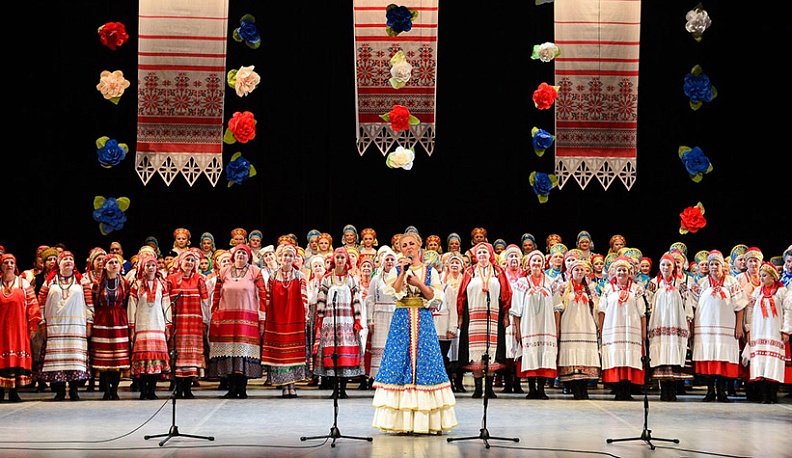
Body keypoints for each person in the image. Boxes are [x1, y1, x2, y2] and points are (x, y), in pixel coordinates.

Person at [371, 230, 457, 435]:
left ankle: (428, 421)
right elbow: (395, 292)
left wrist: (418, 283)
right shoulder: (396, 270)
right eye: (404, 245)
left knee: (426, 363)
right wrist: (402, 272)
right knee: (399, 363)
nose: (408, 248)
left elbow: (434, 297)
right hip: (401, 320)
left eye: (411, 244)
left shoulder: (430, 272)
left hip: (423, 320)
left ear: (419, 246)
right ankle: (401, 423)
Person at [208, 243, 267, 399]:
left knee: (244, 353)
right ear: (233, 256)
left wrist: (262, 319)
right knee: (230, 353)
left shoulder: (256, 272)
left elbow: (263, 296)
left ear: (249, 256)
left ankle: (242, 388)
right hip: (226, 319)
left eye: (244, 253)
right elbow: (216, 296)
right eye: (238, 253)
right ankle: (231, 387)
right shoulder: (223, 271)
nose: (241, 256)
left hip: (247, 319)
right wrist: (214, 314)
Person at [456, 241, 512, 399]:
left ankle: (489, 388)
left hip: (494, 316)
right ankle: (477, 387)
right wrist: (460, 316)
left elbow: (507, 294)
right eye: (479, 253)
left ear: (490, 255)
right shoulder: (470, 271)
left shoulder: (498, 271)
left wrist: (506, 314)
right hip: (473, 316)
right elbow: (461, 295)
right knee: (476, 350)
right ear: (476, 256)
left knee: (491, 350)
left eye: (485, 252)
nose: (482, 255)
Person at [691, 250, 747, 402]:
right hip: (705, 327)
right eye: (711, 264)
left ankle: (722, 392)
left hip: (726, 327)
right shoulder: (701, 283)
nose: (714, 267)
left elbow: (740, 306)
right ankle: (710, 391)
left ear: (722, 266)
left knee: (722, 358)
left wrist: (739, 326)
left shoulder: (731, 282)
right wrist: (692, 328)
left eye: (717, 264)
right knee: (709, 356)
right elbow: (693, 306)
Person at [38, 251, 93, 401]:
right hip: (55, 327)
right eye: (65, 259)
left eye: (71, 259)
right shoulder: (50, 281)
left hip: (76, 327)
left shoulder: (82, 281)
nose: (68, 261)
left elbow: (89, 304)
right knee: (57, 358)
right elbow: (40, 303)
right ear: (59, 263)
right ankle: (59, 391)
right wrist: (42, 324)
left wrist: (89, 323)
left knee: (74, 357)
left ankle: (74, 390)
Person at [313, 247, 364, 399]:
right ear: (334, 260)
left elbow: (357, 300)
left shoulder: (352, 279)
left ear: (346, 260)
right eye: (338, 257)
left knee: (345, 355)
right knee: (333, 354)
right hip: (331, 322)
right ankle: (335, 389)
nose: (340, 260)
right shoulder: (327, 278)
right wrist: (320, 320)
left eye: (342, 257)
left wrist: (358, 320)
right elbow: (321, 300)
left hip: (347, 321)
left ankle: (344, 388)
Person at [261, 244, 310, 398]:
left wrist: (305, 316)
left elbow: (304, 298)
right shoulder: (273, 277)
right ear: (279, 258)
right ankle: (284, 386)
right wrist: (266, 317)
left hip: (294, 317)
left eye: (290, 256)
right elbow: (267, 299)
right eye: (284, 256)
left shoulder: (300, 276)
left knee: (293, 352)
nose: (287, 258)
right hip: (277, 318)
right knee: (280, 352)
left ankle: (292, 385)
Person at [645, 253, 694, 401]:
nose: (666, 267)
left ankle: (672, 391)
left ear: (674, 267)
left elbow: (687, 305)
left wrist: (688, 324)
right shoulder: (654, 283)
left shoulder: (680, 284)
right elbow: (647, 303)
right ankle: (663, 390)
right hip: (659, 325)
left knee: (674, 353)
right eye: (663, 265)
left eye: (669, 265)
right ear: (660, 267)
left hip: (676, 325)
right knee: (660, 354)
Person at [511, 250, 558, 400]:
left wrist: (557, 328)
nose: (536, 264)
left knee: (544, 353)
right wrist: (518, 330)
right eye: (534, 261)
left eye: (539, 261)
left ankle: (541, 389)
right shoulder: (522, 283)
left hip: (546, 326)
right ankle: (531, 389)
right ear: (528, 264)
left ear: (543, 264)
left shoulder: (551, 282)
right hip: (528, 325)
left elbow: (557, 307)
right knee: (530, 354)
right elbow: (516, 309)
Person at [598, 256, 647, 401]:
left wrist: (643, 331)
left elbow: (642, 312)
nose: (621, 273)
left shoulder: (636, 289)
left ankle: (627, 390)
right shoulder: (608, 289)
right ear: (614, 272)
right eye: (619, 270)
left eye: (624, 270)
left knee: (629, 358)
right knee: (616, 357)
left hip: (632, 330)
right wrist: (601, 330)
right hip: (613, 329)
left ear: (629, 272)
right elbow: (602, 311)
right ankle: (618, 389)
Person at [165, 248, 211, 399]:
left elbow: (205, 302)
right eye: (187, 260)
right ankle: (178, 388)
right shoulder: (171, 279)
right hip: (178, 323)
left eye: (192, 260)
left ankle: (188, 388)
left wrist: (205, 321)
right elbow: (165, 303)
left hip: (193, 324)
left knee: (191, 356)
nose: (190, 263)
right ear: (180, 262)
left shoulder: (199, 279)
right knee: (177, 355)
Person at [744, 262, 791, 403]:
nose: (761, 278)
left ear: (773, 277)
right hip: (759, 332)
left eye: (764, 275)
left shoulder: (782, 292)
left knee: (774, 363)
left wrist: (786, 330)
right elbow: (750, 311)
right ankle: (764, 395)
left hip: (774, 332)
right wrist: (749, 329)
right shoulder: (757, 291)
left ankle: (773, 394)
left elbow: (788, 312)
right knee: (760, 362)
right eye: (760, 275)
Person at [127, 252, 172, 400]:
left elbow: (166, 306)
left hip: (157, 326)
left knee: (155, 360)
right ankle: (143, 391)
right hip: (142, 326)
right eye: (148, 265)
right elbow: (132, 307)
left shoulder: (162, 285)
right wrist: (132, 328)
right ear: (143, 267)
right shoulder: (136, 285)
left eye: (153, 265)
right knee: (143, 361)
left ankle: (152, 390)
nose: (151, 268)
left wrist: (167, 326)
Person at [556, 258, 601, 400]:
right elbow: (557, 307)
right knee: (572, 357)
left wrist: (597, 325)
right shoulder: (564, 287)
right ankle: (575, 389)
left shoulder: (591, 288)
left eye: (582, 269)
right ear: (570, 272)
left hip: (586, 327)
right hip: (569, 326)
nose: (579, 272)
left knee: (584, 356)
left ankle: (584, 389)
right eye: (576, 269)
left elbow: (597, 308)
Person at [0, 253, 43, 402]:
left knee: (17, 358)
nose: (9, 265)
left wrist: (33, 326)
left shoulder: (23, 283)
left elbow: (33, 305)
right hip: (1, 330)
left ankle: (14, 392)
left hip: (19, 329)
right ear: (1, 266)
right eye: (6, 262)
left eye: (12, 262)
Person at [90, 253, 131, 400]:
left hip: (119, 319)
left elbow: (127, 302)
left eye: (116, 262)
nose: (114, 265)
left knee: (117, 358)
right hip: (103, 320)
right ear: (105, 266)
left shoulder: (124, 283)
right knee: (104, 358)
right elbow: (94, 302)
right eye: (111, 263)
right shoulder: (98, 283)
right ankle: (106, 390)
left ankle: (115, 390)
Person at [498, 244, 524, 394]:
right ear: (506, 260)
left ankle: (518, 383)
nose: (514, 259)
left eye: (516, 256)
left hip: (522, 317)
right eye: (511, 256)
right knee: (508, 349)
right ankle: (508, 383)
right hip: (507, 316)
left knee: (520, 349)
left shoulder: (524, 276)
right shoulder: (502, 276)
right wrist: (505, 315)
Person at [441, 253, 466, 392]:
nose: (455, 265)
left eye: (457, 263)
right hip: (447, 320)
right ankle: (448, 381)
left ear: (462, 266)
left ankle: (460, 382)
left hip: (462, 319)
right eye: (452, 263)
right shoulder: (443, 282)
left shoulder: (466, 280)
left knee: (459, 351)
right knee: (448, 351)